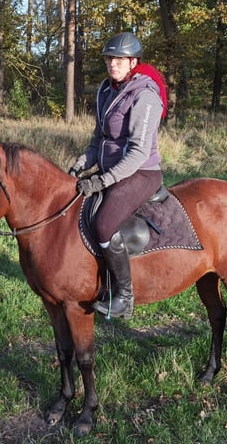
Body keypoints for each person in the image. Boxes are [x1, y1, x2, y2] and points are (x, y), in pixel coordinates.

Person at [69, 32, 166, 319]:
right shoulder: (106, 90)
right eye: (110, 59)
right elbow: (98, 140)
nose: (114, 64)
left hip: (142, 172)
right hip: (111, 169)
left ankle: (124, 297)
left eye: (120, 59)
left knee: (103, 224)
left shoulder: (145, 95)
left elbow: (137, 153)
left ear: (133, 62)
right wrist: (78, 167)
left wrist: (102, 180)